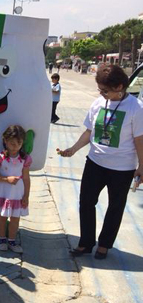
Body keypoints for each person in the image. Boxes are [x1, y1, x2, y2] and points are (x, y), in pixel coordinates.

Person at [59, 64, 143, 260]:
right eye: (100, 90)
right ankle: (85, 243)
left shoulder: (136, 108)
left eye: (105, 90)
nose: (102, 94)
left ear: (119, 87)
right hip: (95, 162)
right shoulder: (98, 103)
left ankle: (104, 245)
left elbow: (139, 139)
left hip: (122, 168)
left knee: (115, 206)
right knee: (86, 202)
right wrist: (73, 149)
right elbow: (89, 132)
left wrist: (142, 166)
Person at [0, 125, 32, 253]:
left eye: (19, 143)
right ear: (5, 141)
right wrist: (7, 179)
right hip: (3, 191)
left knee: (15, 217)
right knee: (2, 216)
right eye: (12, 143)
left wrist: (26, 195)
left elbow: (26, 178)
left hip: (17, 193)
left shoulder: (25, 159)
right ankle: (2, 239)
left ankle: (12, 240)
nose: (15, 147)